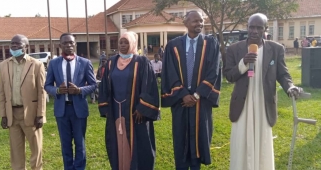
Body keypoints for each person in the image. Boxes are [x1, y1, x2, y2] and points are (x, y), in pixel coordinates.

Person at [224, 13, 303, 170]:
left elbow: (283, 74)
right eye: (251, 27)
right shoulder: (234, 49)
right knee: (241, 143)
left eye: (259, 27)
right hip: (242, 105)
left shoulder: (275, 49)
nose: (254, 31)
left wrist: (290, 87)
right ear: (247, 27)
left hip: (264, 103)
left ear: (265, 29)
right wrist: (243, 63)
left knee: (263, 144)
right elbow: (229, 75)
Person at [161, 10, 221, 170]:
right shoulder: (173, 46)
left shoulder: (211, 44)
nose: (199, 24)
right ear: (185, 23)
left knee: (199, 137)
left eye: (201, 21)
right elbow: (169, 72)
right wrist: (182, 94)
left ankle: (196, 166)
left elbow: (213, 71)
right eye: (195, 21)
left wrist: (196, 95)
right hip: (180, 100)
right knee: (180, 136)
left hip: (200, 100)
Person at [98, 31, 160, 170]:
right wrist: (105, 107)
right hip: (115, 110)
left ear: (133, 44)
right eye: (121, 42)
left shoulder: (142, 62)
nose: (123, 45)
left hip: (135, 112)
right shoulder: (111, 62)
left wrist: (142, 107)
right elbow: (104, 86)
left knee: (138, 142)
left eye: (126, 42)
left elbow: (149, 85)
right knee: (118, 143)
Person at [44, 33, 97, 170]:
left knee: (80, 143)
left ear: (75, 44)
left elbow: (93, 84)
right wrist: (57, 91)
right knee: (65, 144)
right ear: (60, 45)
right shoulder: (54, 63)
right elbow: (47, 85)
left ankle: (79, 168)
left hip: (79, 109)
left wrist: (80, 90)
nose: (69, 45)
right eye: (65, 43)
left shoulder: (85, 63)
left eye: (71, 43)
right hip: (62, 110)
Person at [0, 34, 46, 170]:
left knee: (36, 150)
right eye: (12, 43)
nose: (14, 46)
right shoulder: (4, 65)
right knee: (16, 152)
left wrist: (40, 114)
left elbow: (41, 91)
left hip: (31, 114)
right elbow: (2, 92)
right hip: (12, 115)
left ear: (26, 47)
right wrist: (3, 115)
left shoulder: (36, 65)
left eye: (18, 44)